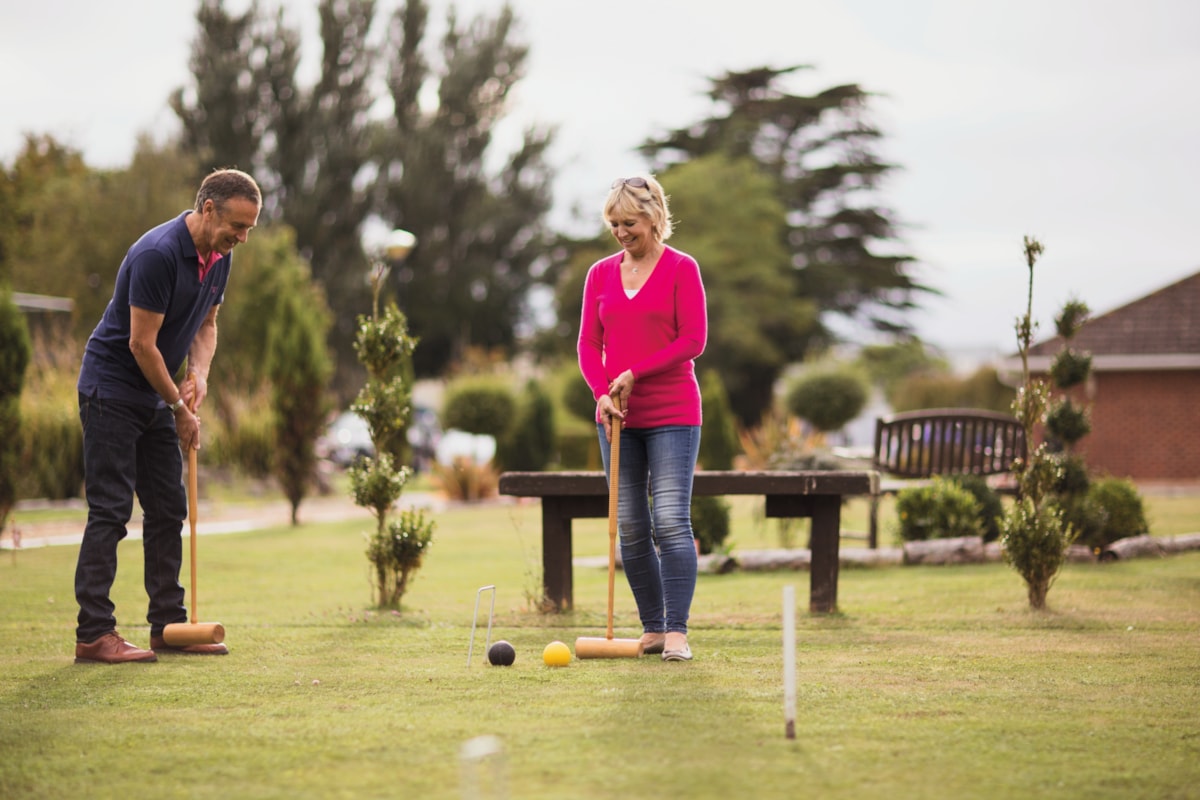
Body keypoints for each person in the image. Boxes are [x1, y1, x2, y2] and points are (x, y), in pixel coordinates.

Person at [73, 168, 262, 664]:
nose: (240, 239)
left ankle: (170, 625)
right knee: (111, 511)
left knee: (167, 509)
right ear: (207, 210)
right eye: (236, 226)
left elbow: (207, 324)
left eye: (248, 230)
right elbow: (140, 344)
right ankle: (94, 633)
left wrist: (197, 374)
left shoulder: (218, 259)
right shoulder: (158, 254)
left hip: (153, 395)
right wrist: (179, 408)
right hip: (111, 389)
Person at [577, 174, 708, 662]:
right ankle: (652, 627)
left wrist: (636, 372)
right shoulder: (600, 274)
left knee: (671, 519)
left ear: (653, 217)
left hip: (673, 411)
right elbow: (589, 344)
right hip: (616, 416)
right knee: (630, 525)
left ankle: (677, 631)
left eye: (629, 222)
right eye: (613, 223)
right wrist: (601, 392)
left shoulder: (681, 268)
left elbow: (692, 341)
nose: (621, 232)